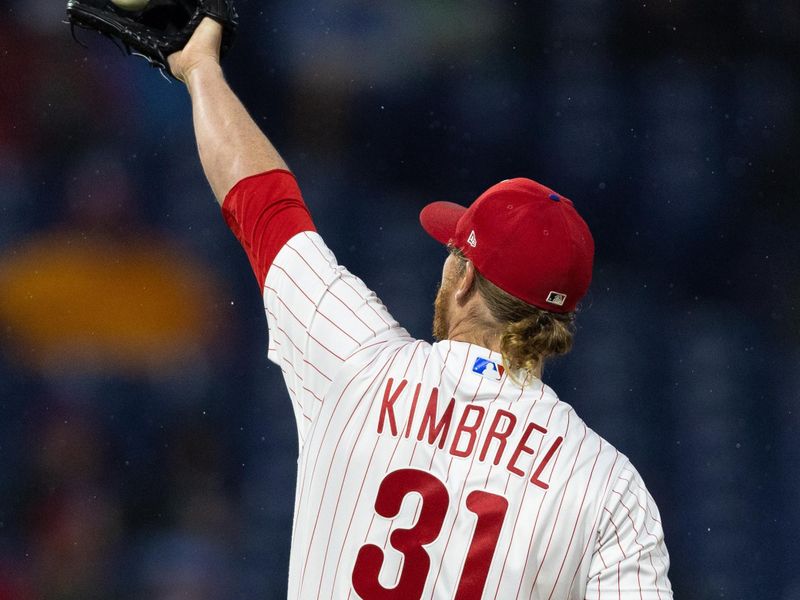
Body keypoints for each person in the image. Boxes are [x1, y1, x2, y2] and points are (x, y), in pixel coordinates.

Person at [167, 18, 673, 599]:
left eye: (453, 250)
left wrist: (200, 68)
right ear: (558, 322)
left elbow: (262, 204)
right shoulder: (609, 491)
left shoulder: (357, 363)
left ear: (464, 282)